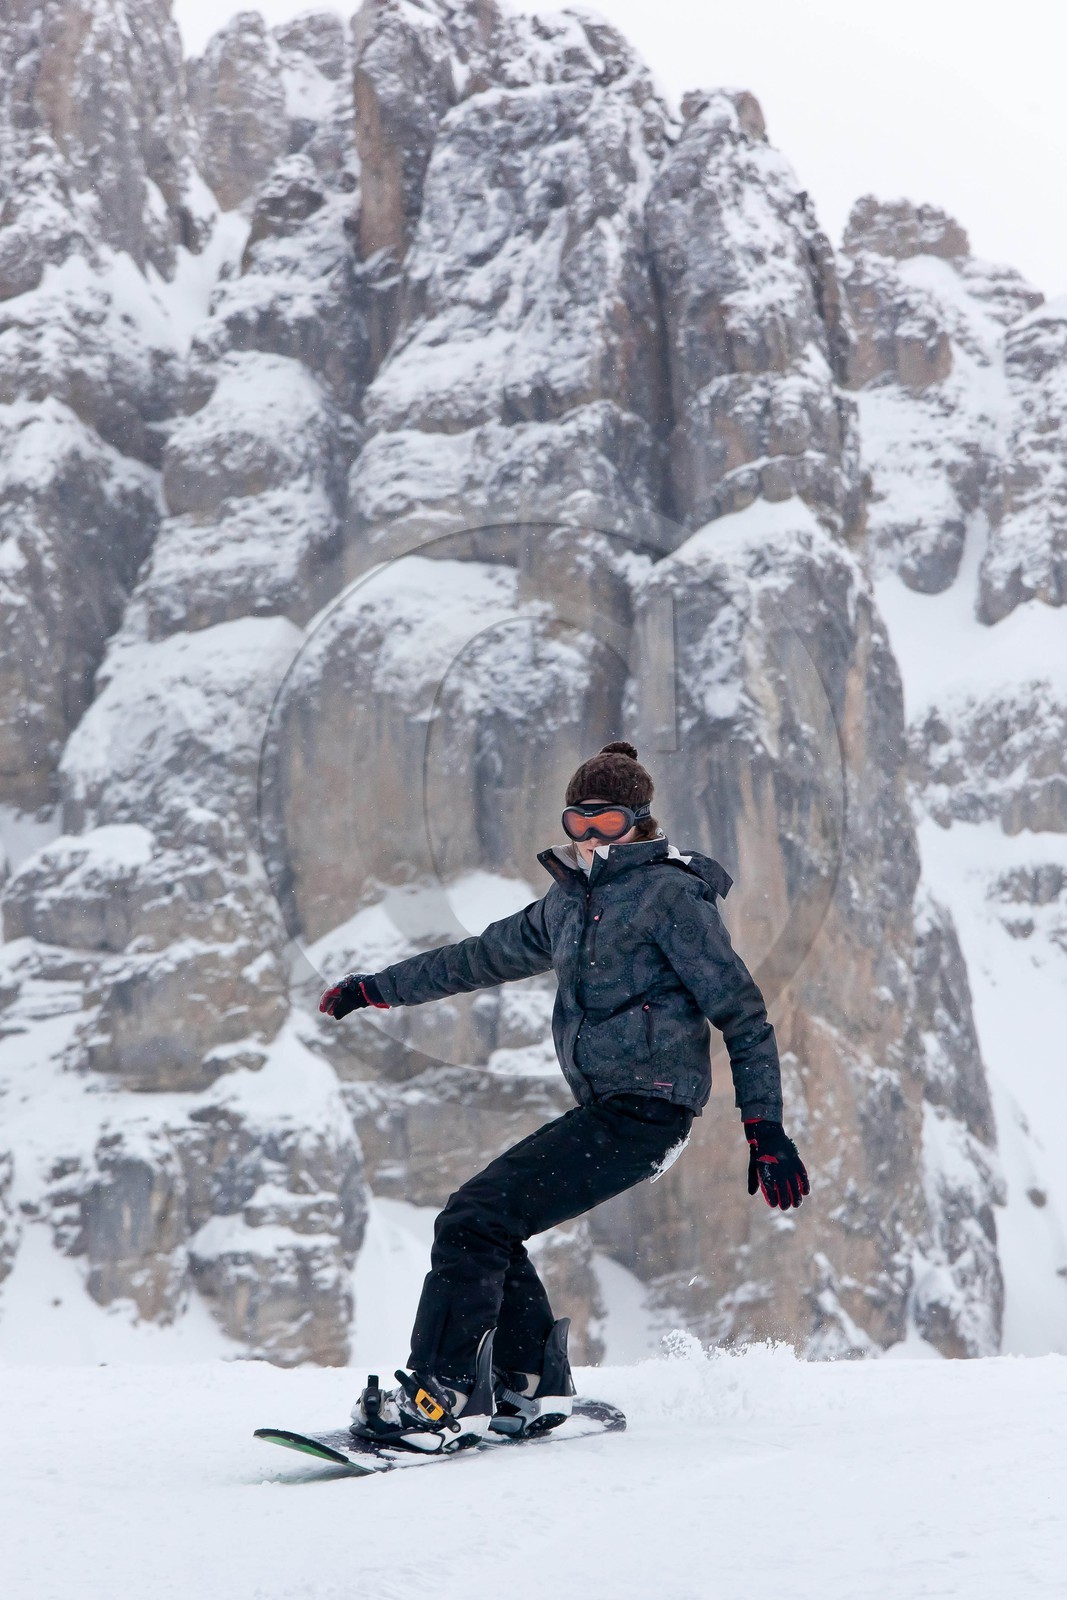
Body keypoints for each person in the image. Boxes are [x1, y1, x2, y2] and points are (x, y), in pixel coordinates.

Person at [319, 741, 808, 1451]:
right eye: (575, 822)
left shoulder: (671, 896)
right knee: (490, 1223)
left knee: (472, 1219)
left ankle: (435, 1397)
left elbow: (741, 1012)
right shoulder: (566, 904)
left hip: (649, 1110)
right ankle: (530, 1386)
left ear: (638, 823)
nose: (586, 838)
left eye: (604, 823)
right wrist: (375, 989)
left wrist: (764, 1127)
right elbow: (477, 956)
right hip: (607, 1111)